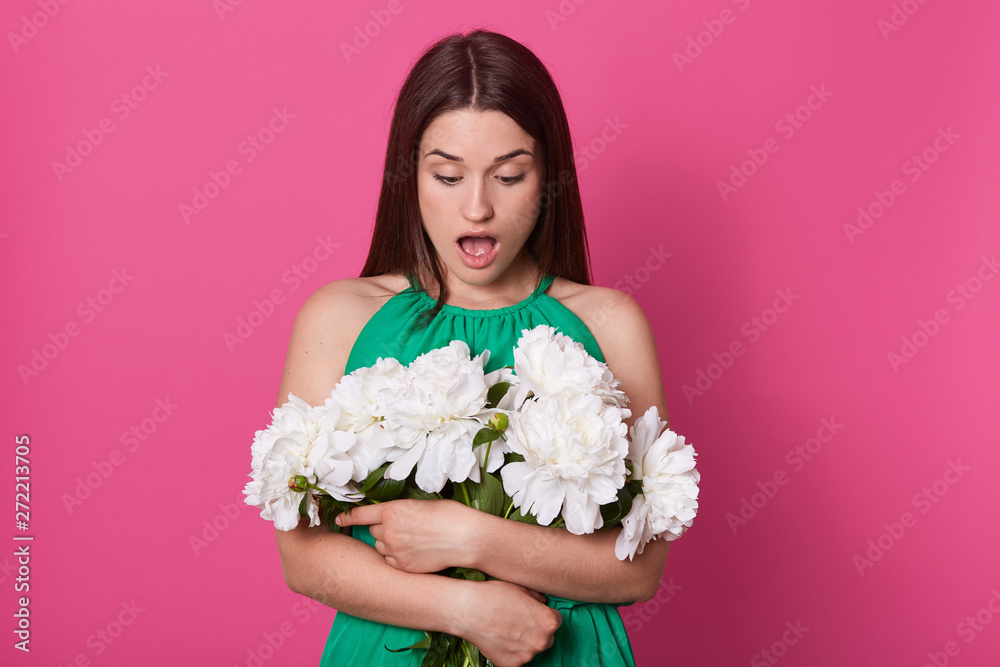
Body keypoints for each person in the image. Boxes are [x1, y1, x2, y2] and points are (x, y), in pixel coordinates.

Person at [272, 29, 670, 667]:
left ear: (548, 179)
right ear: (411, 178)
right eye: (448, 175)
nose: (478, 207)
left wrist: (473, 539)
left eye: (509, 175)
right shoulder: (341, 317)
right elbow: (303, 554)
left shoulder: (610, 324)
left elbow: (640, 567)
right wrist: (465, 610)